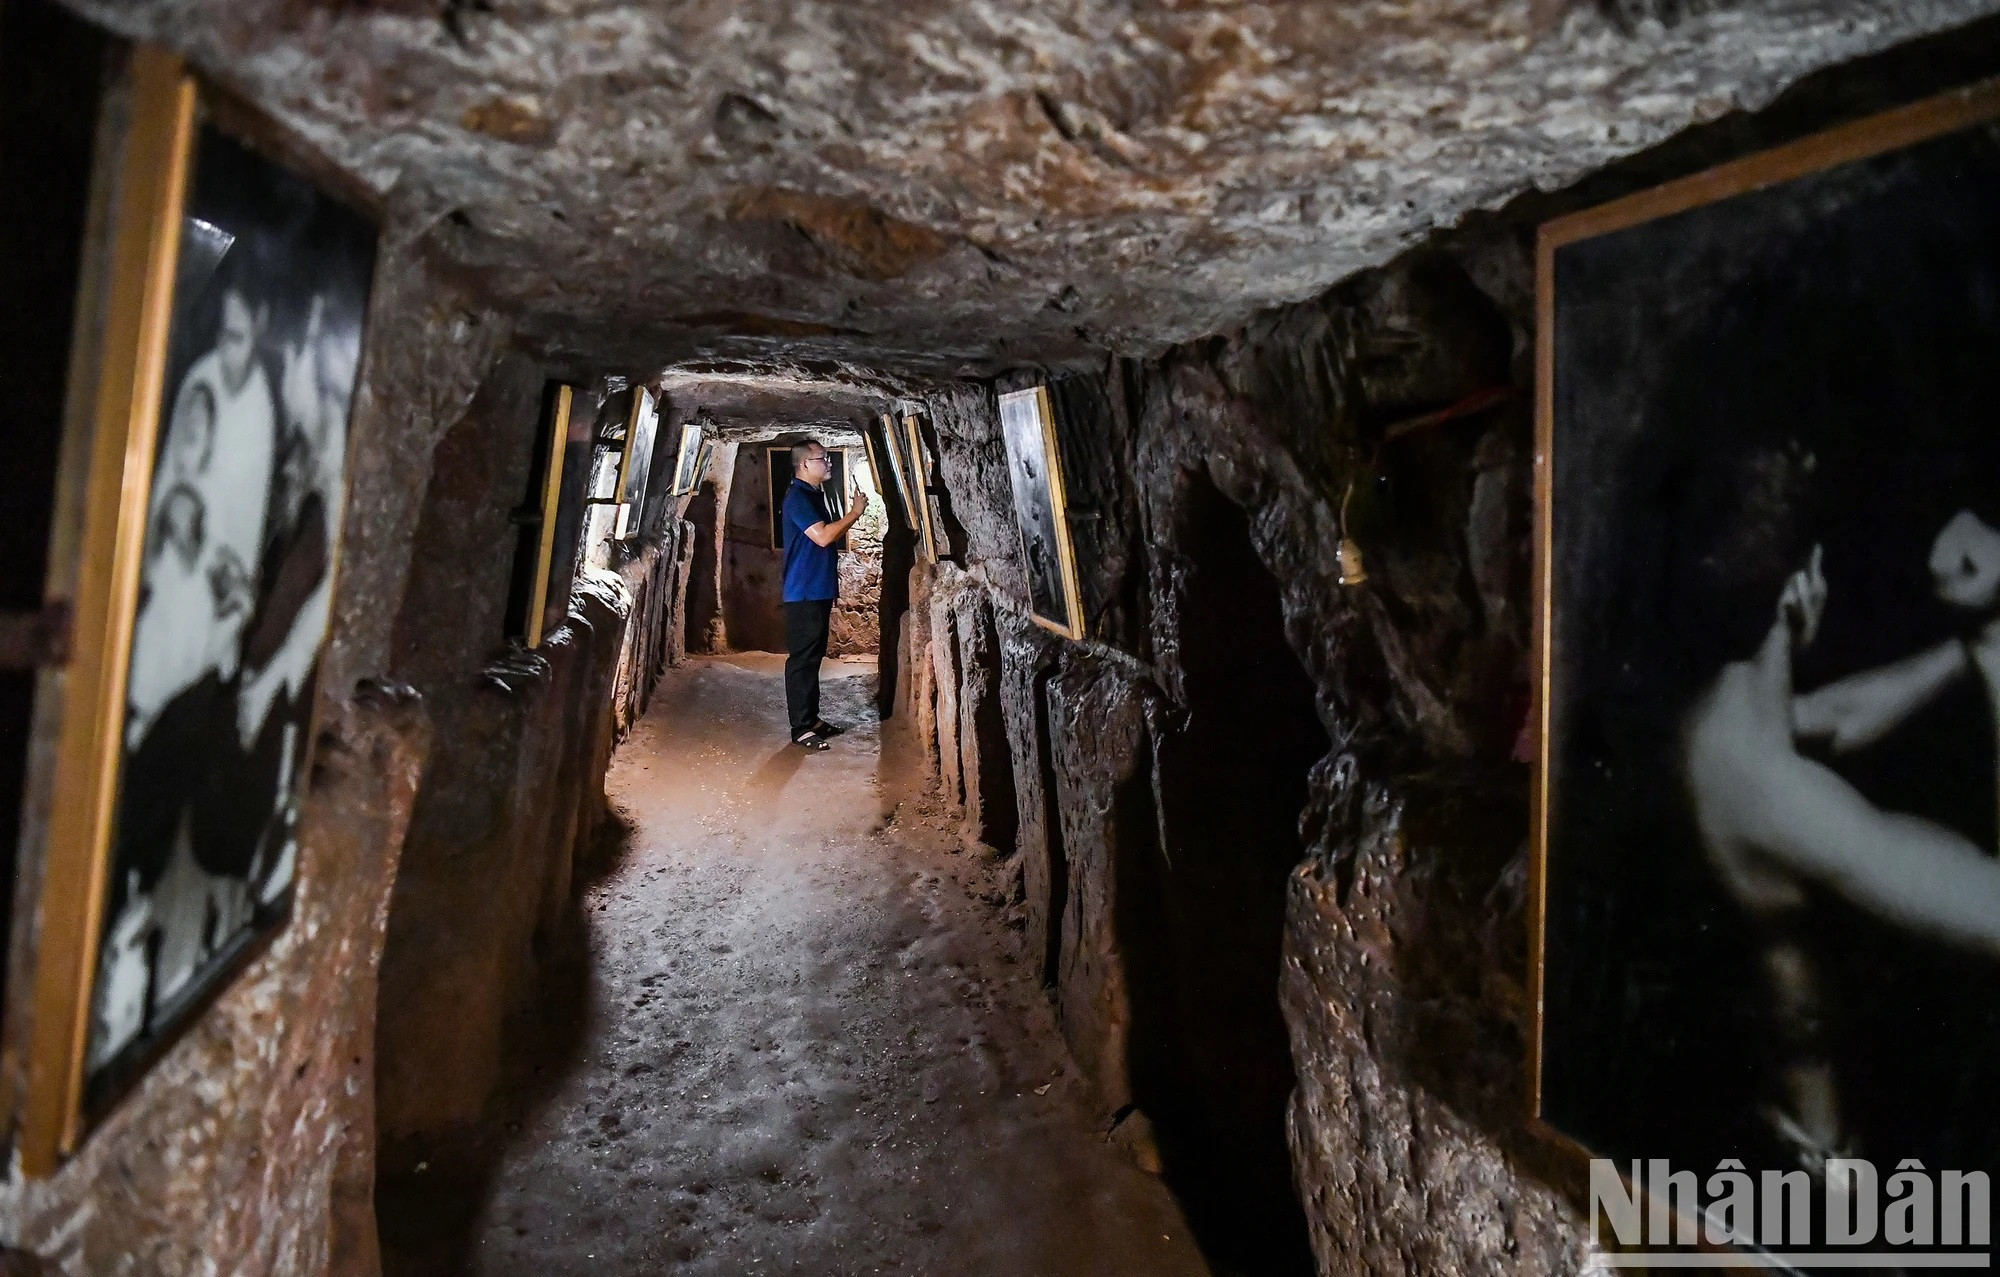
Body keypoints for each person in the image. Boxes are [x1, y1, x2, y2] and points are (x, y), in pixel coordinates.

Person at [781, 440, 867, 750]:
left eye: (828, 458)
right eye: (822, 459)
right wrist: (855, 514)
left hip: (814, 588)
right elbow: (823, 537)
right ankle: (801, 727)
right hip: (803, 590)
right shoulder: (798, 498)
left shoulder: (813, 495)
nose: (828, 463)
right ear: (804, 464)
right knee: (802, 659)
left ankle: (812, 718)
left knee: (813, 656)